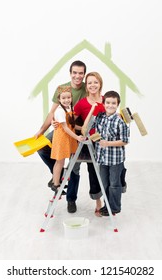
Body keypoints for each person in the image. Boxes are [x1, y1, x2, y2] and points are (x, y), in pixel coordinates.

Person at [35, 60, 87, 211]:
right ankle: (58, 175)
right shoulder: (62, 88)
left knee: (74, 167)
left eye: (81, 73)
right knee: (42, 148)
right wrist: (41, 130)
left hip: (76, 129)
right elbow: (52, 112)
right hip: (62, 128)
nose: (77, 76)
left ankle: (71, 199)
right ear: (70, 73)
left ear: (84, 74)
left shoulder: (86, 89)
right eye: (75, 73)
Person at [83, 91, 130, 216]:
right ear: (103, 104)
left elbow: (125, 141)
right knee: (105, 183)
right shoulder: (100, 117)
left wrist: (108, 143)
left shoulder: (120, 122)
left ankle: (114, 207)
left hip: (115, 159)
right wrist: (93, 108)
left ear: (117, 104)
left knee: (114, 184)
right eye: (108, 103)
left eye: (113, 103)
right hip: (102, 158)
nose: (110, 105)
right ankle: (107, 205)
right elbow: (86, 127)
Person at [72, 72, 106, 216]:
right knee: (82, 168)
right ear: (87, 86)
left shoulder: (106, 100)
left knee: (99, 171)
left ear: (100, 84)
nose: (93, 85)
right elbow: (71, 122)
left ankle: (103, 201)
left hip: (103, 140)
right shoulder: (82, 103)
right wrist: (84, 130)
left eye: (95, 82)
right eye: (90, 82)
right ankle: (95, 201)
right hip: (88, 139)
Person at [50, 86, 85, 192]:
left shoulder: (70, 108)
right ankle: (55, 184)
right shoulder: (60, 111)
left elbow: (71, 124)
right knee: (59, 161)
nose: (66, 100)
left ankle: (57, 181)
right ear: (59, 100)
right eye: (63, 98)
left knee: (64, 161)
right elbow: (65, 128)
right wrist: (77, 137)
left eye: (68, 97)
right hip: (62, 138)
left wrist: (82, 128)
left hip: (68, 137)